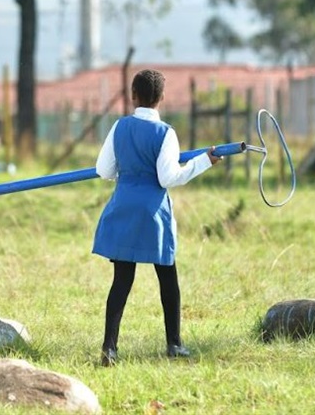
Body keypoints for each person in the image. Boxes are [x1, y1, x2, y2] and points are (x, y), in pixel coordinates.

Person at [92, 69, 222, 367]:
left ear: (132, 95)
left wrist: (126, 174)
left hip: (123, 208)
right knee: (167, 278)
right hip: (152, 214)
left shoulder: (119, 127)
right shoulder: (166, 133)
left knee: (121, 281)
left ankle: (109, 348)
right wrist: (204, 161)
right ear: (162, 98)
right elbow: (168, 177)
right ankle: (174, 344)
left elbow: (104, 170)